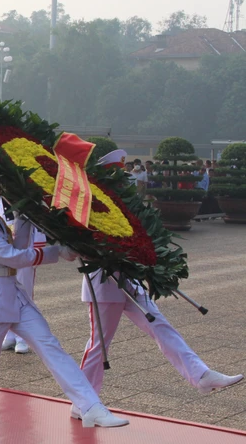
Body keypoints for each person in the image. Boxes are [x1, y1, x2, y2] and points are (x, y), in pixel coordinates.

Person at [0, 152, 127, 444]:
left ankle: (90, 405)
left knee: (51, 346)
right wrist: (56, 251)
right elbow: (15, 257)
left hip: (13, 293)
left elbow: (19, 246)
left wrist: (24, 217)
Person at [77, 151, 242, 404]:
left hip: (130, 281)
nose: (123, 183)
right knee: (99, 345)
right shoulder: (90, 209)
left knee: (161, 327)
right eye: (117, 177)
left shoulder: (126, 207)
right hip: (104, 284)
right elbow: (79, 248)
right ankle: (84, 401)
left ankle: (201, 375)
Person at [0, 198, 45, 355]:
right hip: (4, 252)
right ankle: (9, 334)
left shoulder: (24, 196)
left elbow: (37, 226)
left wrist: (37, 250)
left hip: (25, 253)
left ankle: (22, 338)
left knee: (25, 294)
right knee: (6, 294)